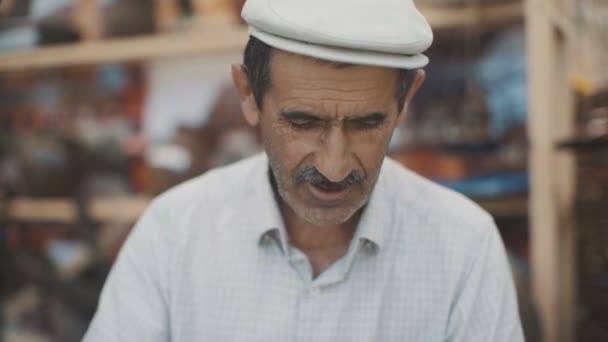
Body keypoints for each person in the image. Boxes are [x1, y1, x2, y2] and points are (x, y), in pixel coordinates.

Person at [83, 0, 524, 340]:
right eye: (302, 122)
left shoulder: (465, 245)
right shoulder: (173, 233)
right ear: (249, 94)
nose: (333, 167)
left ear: (406, 102)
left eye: (368, 123)